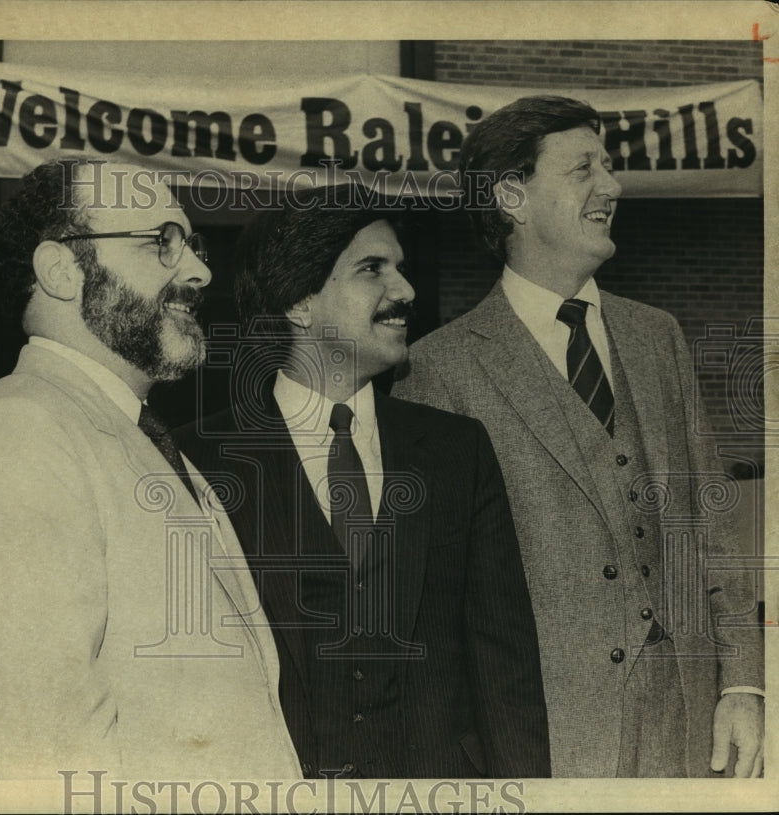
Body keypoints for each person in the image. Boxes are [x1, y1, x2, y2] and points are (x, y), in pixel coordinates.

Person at [394, 96, 764, 777]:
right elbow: (433, 607)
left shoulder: (659, 337)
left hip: (689, 724)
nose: (613, 186)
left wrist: (743, 683)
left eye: (611, 167)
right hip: (546, 741)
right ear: (513, 195)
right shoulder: (437, 371)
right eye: (583, 168)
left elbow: (709, 528)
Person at [0, 158, 302, 780]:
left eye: (193, 245)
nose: (200, 270)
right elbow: (47, 762)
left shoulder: (143, 441)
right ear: (61, 270)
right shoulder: (19, 436)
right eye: (161, 242)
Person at [175, 192, 551, 779]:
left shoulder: (457, 450)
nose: (405, 291)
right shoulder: (199, 460)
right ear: (299, 303)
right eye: (372, 269)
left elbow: (507, 669)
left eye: (400, 268)